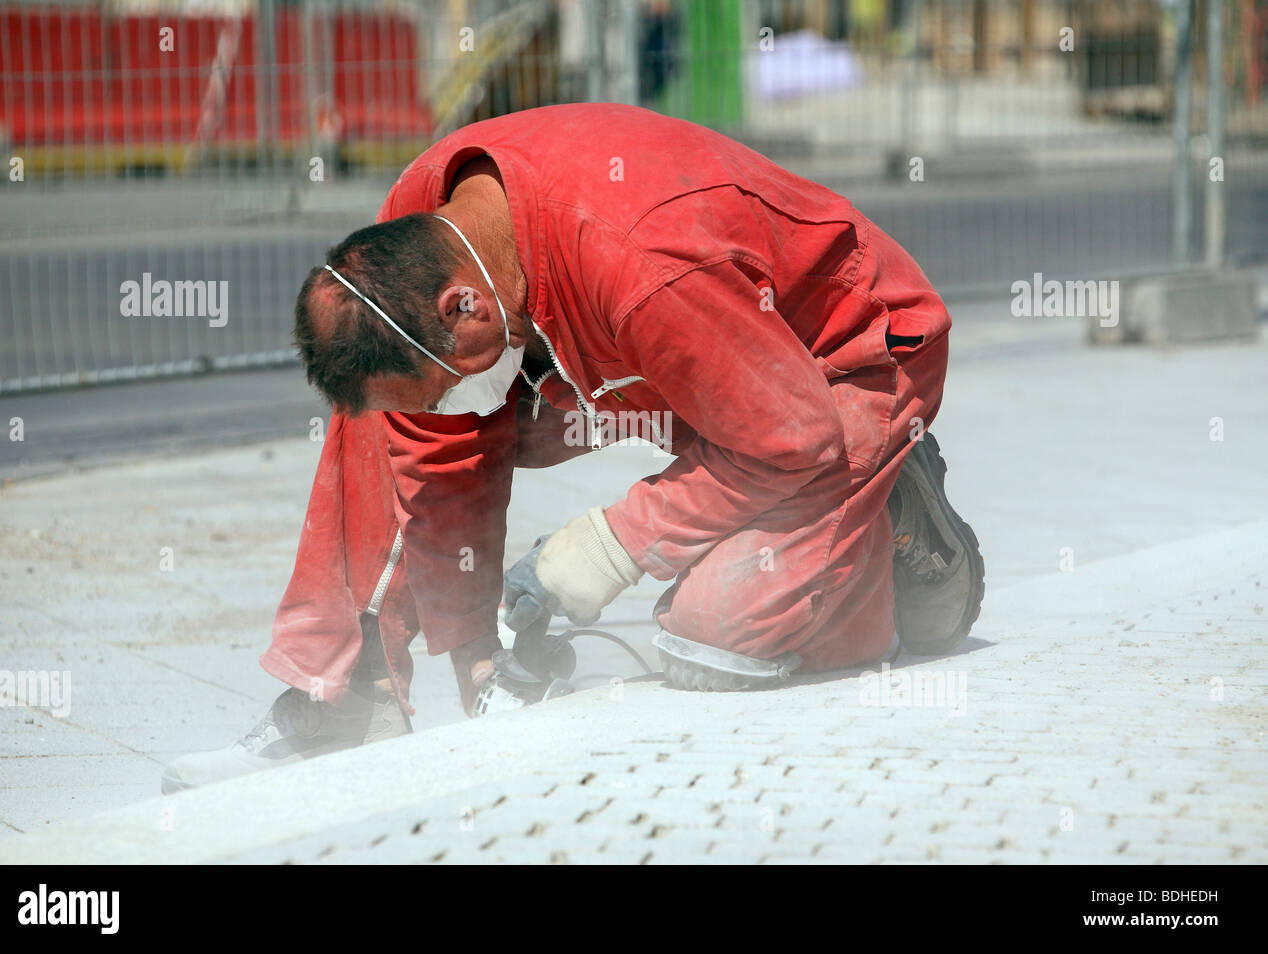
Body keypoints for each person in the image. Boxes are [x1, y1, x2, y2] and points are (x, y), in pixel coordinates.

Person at [162, 103, 983, 793]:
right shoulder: (420, 233)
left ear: (465, 307)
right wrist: (483, 668)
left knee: (721, 633)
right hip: (673, 358)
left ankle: (903, 529)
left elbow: (790, 439)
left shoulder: (642, 261)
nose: (451, 412)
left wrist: (601, 551)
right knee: (383, 407)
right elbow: (438, 456)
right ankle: (346, 693)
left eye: (449, 387)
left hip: (835, 368)